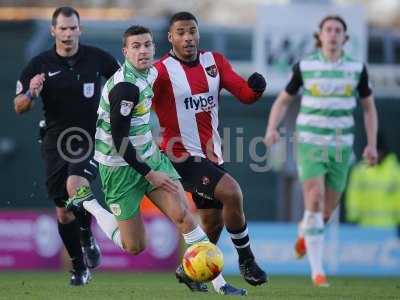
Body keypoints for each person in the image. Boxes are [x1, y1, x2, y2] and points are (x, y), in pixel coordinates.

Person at [66, 24, 212, 290]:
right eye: (136, 46)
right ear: (125, 52)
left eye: (147, 45)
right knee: (134, 246)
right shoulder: (125, 88)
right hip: (119, 166)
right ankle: (88, 203)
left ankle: (214, 282)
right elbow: (121, 141)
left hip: (149, 156)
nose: (143, 50)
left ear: (154, 48)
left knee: (183, 214)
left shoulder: (152, 72)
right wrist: (149, 173)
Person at [152, 12, 267, 294]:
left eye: (192, 31)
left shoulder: (214, 62)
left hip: (210, 155)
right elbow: (139, 103)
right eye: (181, 32)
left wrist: (256, 89)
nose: (188, 37)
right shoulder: (161, 70)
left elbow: (244, 94)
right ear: (171, 37)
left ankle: (189, 271)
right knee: (232, 192)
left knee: (213, 223)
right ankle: (247, 260)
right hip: (179, 156)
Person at [264, 15, 378, 287]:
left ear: (345, 38)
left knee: (325, 213)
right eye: (328, 29)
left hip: (341, 146)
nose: (333, 34)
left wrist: (371, 144)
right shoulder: (305, 66)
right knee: (313, 199)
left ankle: (305, 233)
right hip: (310, 143)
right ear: (320, 35)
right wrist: (271, 128)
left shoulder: (357, 69)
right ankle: (318, 272)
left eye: (338, 30)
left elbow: (368, 108)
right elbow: (282, 101)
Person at [14, 6, 120, 285]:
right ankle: (78, 266)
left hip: (90, 138)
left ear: (80, 30)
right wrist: (30, 92)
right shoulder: (39, 65)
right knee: (63, 211)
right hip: (55, 141)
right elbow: (19, 106)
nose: (68, 33)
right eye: (63, 28)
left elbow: (124, 85)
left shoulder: (97, 58)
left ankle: (86, 233)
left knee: (76, 183)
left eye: (73, 28)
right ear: (53, 31)